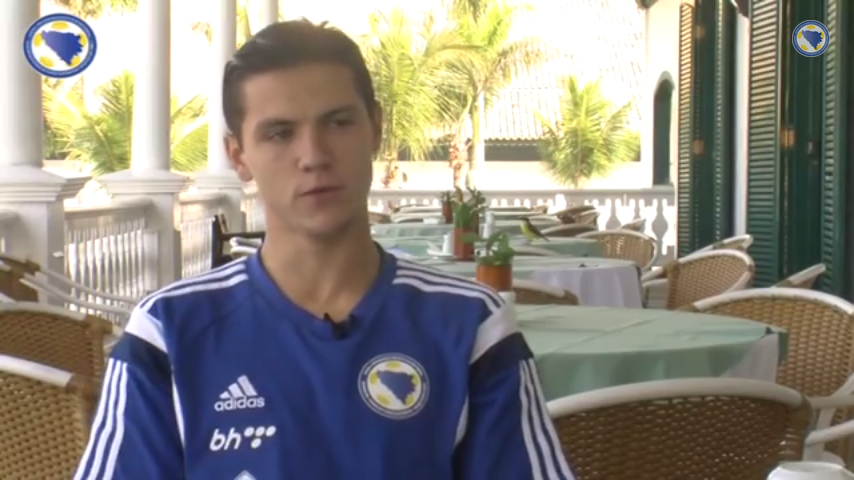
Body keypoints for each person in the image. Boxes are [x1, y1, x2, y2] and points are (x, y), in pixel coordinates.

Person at [74, 20, 573, 480]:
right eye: (279, 133)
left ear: (375, 128)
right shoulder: (168, 333)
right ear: (238, 156)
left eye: (337, 123)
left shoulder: (470, 325)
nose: (313, 155)